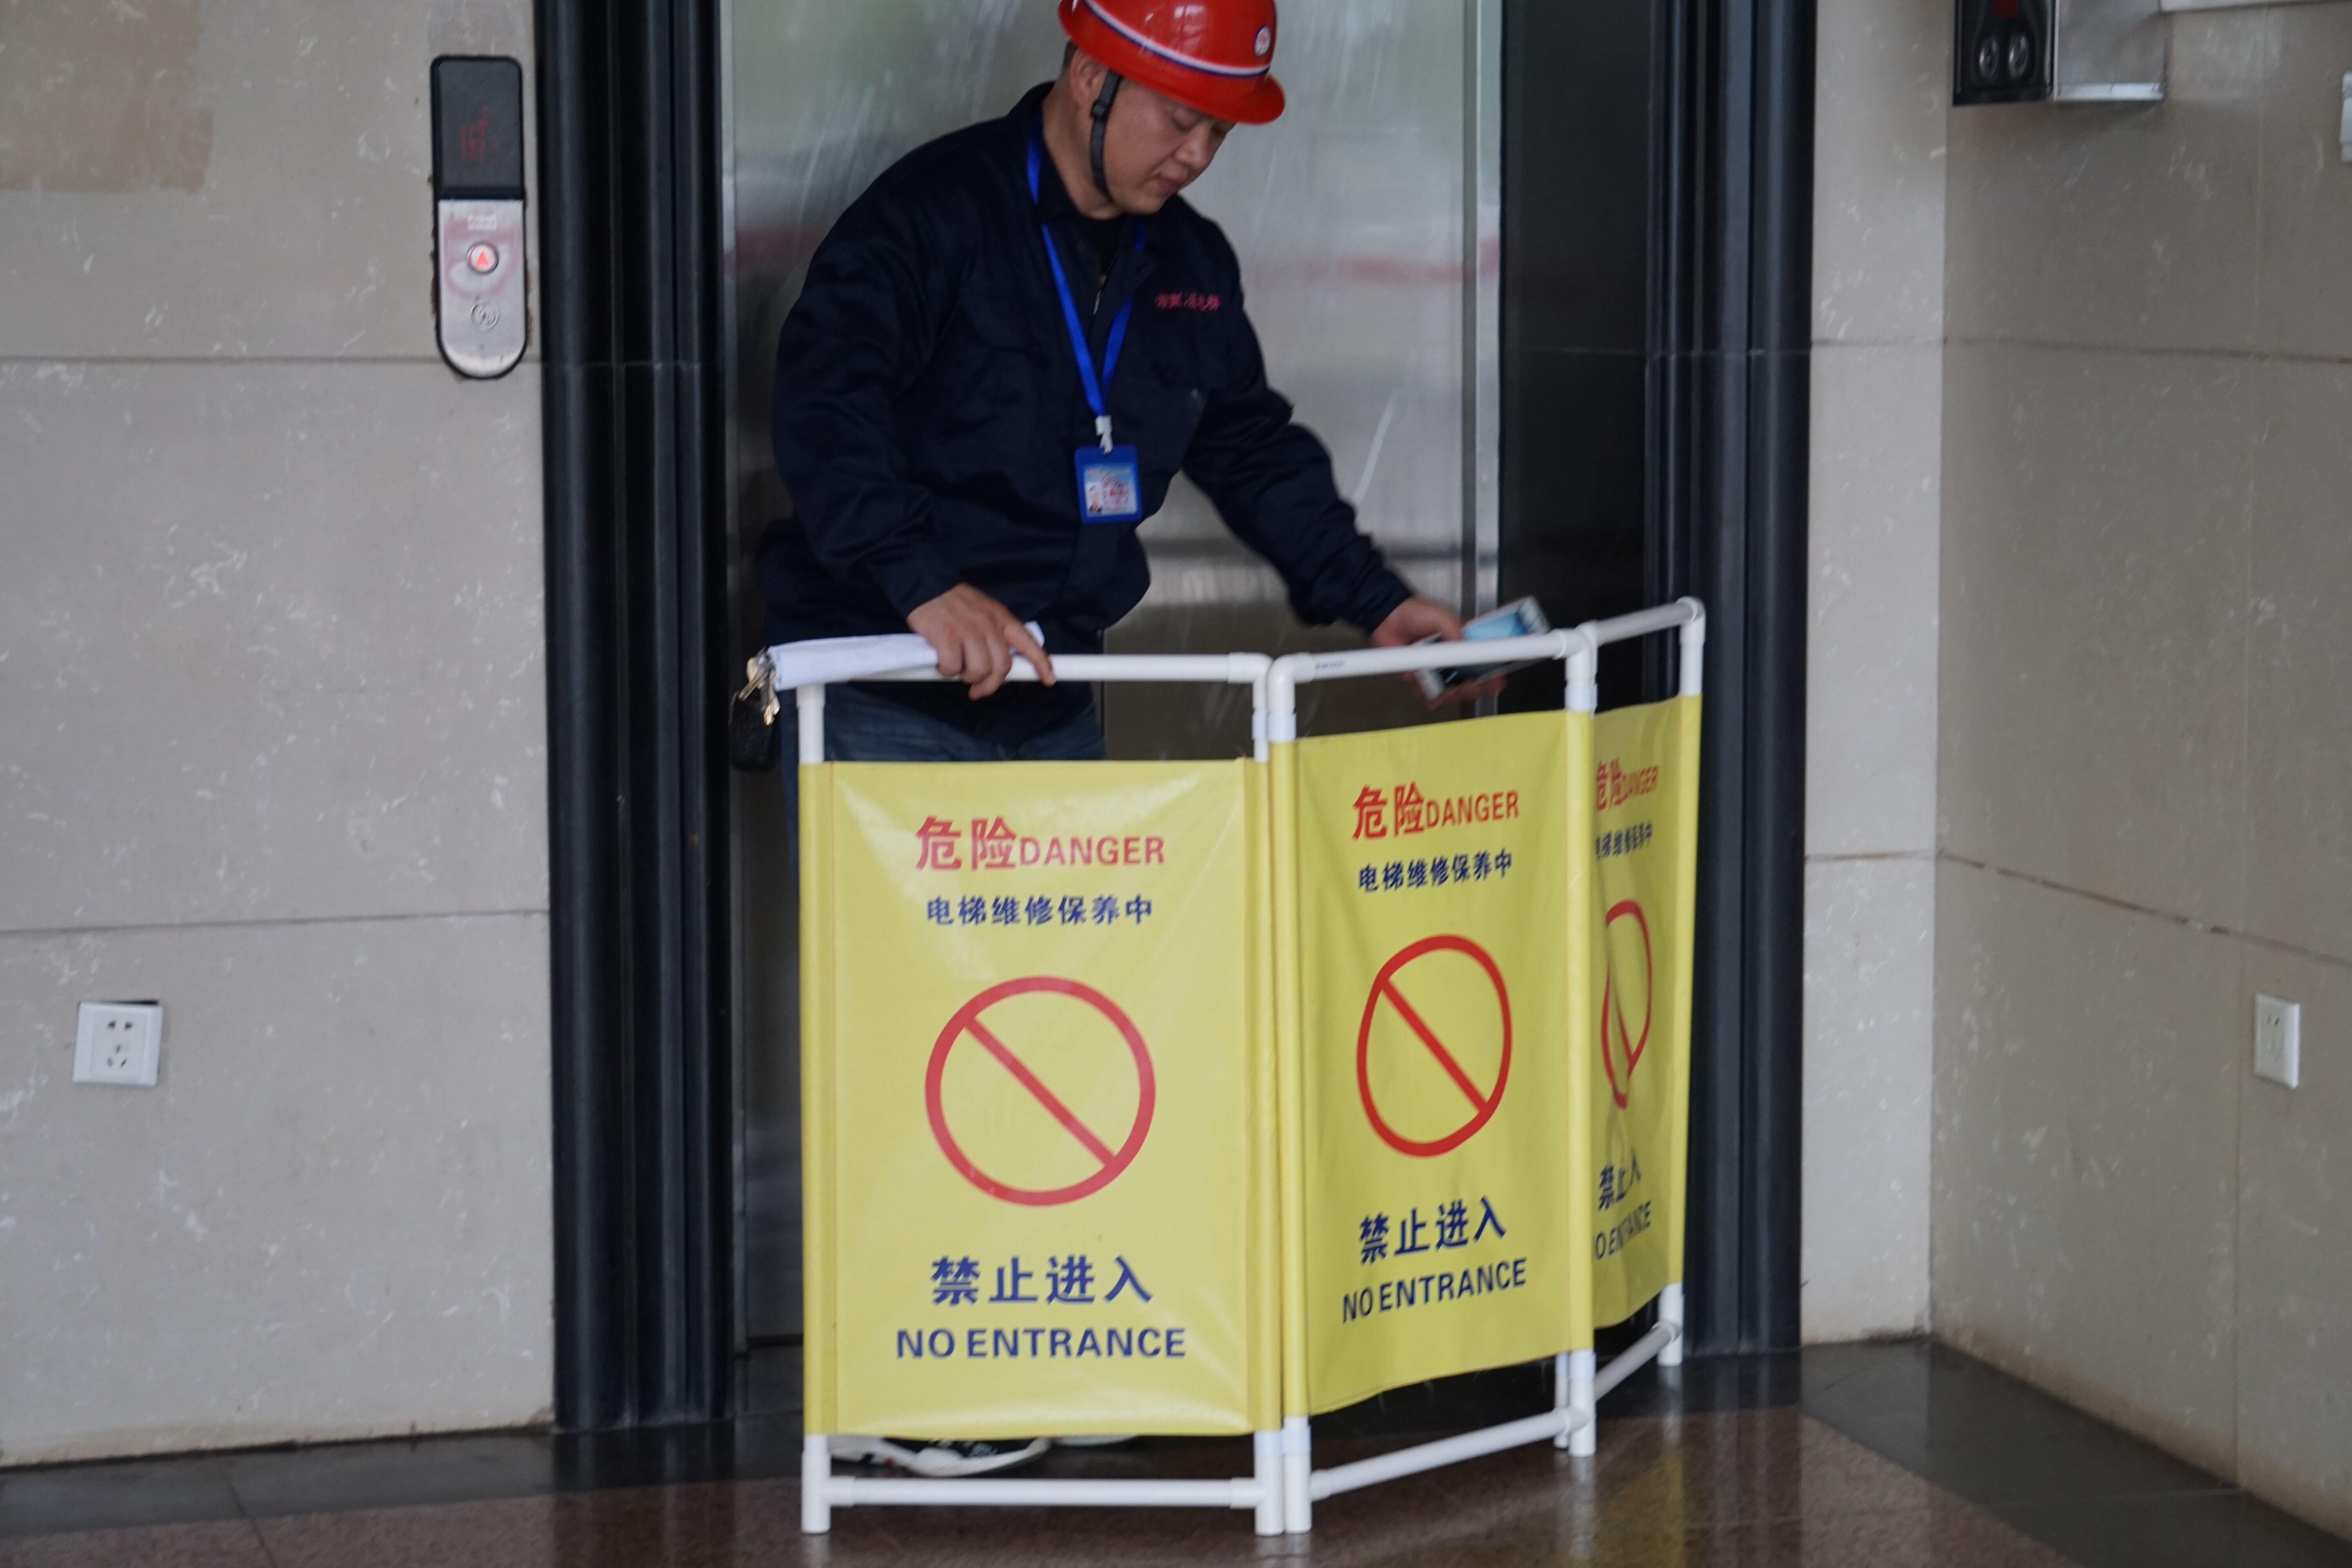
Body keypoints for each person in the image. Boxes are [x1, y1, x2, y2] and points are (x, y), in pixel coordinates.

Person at [759, 0, 1481, 1478]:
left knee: (1058, 1031)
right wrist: (919, 580)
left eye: (1219, 128)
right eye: (1176, 116)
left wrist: (1375, 601)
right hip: (891, 698)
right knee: (919, 1039)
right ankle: (911, 1388)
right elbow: (824, 408)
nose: (1196, 153)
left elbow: (1251, 448)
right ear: (1089, 77)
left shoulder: (1186, 266)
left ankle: (1046, 1345)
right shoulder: (932, 219)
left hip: (1051, 696)